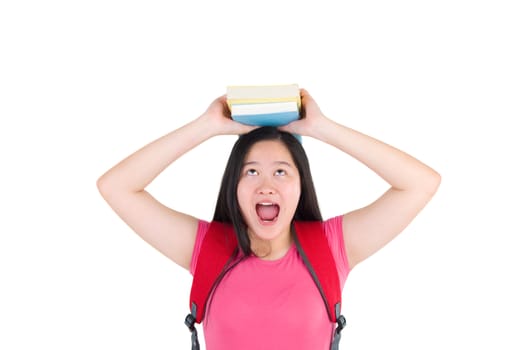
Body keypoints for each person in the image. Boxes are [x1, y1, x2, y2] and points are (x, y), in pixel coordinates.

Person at [97, 88, 441, 349]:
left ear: (300, 184)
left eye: (281, 171)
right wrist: (206, 127)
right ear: (233, 185)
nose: (265, 186)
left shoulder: (332, 247)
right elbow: (116, 187)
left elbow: (420, 184)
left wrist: (322, 128)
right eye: (251, 172)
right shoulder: (207, 249)